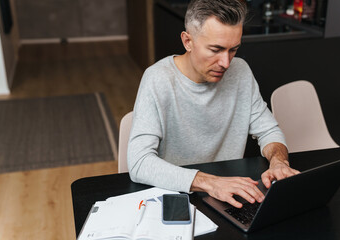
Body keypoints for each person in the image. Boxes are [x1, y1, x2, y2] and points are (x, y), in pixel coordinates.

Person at [127, 0, 299, 208]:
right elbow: (139, 163)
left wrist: (279, 162)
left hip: (230, 194)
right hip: (178, 197)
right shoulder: (157, 79)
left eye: (233, 50)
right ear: (187, 41)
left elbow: (269, 131)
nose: (226, 63)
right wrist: (210, 183)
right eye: (215, 50)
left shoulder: (240, 71)